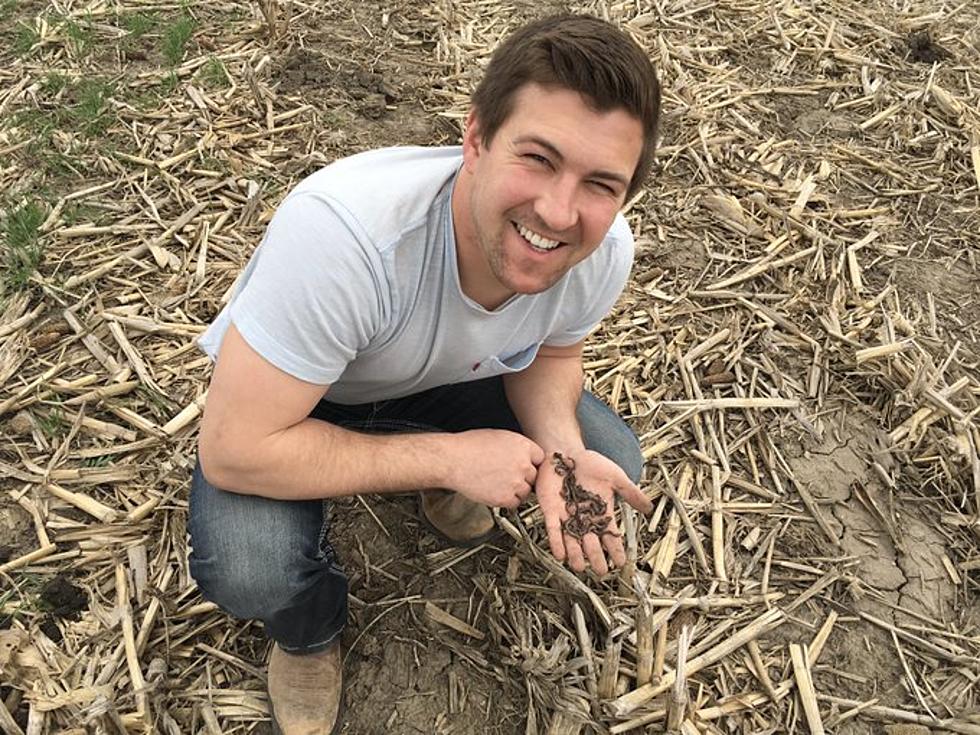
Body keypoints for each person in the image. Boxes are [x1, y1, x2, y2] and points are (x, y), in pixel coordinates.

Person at [189, 13, 661, 734]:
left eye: (600, 183)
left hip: (452, 376)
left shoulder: (601, 250)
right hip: (314, 395)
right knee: (253, 567)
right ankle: (308, 632)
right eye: (537, 157)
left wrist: (561, 449)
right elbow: (233, 447)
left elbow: (553, 353)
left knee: (604, 458)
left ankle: (459, 479)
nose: (559, 211)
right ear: (475, 139)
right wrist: (444, 455)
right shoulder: (346, 240)